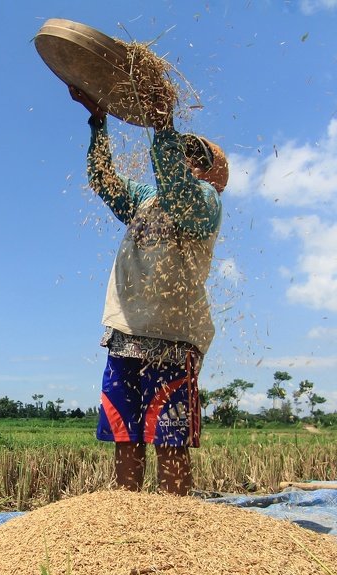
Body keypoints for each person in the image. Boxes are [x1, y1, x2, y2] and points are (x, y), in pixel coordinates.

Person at [69, 84, 229, 495]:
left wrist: (163, 126)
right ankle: (129, 520)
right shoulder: (145, 198)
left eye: (197, 157)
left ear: (211, 174)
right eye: (184, 151)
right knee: (126, 436)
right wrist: (98, 120)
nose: (187, 159)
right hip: (126, 334)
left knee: (169, 441)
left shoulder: (205, 202)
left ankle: (174, 528)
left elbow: (177, 188)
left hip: (173, 338)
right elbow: (105, 182)